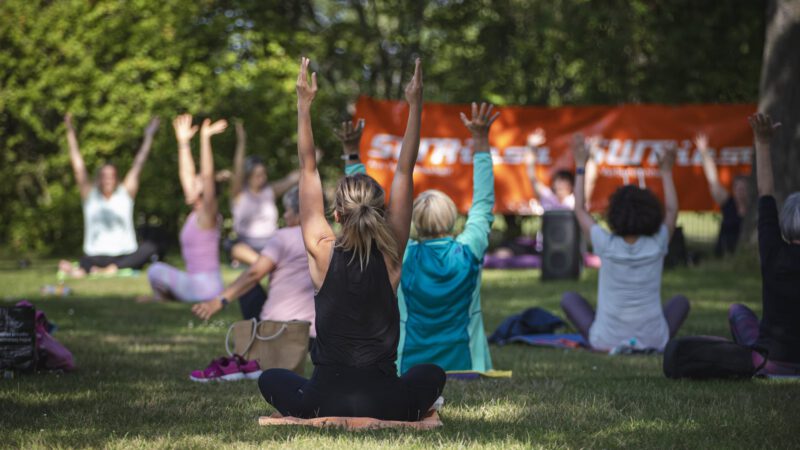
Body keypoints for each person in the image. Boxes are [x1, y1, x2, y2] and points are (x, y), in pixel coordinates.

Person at [257, 57, 445, 421]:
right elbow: (405, 169)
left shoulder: (322, 250)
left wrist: (304, 105)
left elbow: (307, 167)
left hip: (320, 402)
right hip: (388, 404)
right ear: (379, 210)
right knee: (432, 373)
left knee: (271, 379)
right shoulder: (391, 249)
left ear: (337, 214)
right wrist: (415, 104)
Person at [340, 104, 498, 373]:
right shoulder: (469, 249)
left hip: (409, 367)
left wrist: (352, 154)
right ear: (451, 217)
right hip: (467, 368)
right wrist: (481, 140)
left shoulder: (401, 251)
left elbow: (363, 207)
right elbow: (483, 202)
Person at [560, 135, 690, 352]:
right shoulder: (658, 243)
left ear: (614, 215)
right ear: (651, 213)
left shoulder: (605, 243)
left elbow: (580, 209)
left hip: (604, 341)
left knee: (569, 298)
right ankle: (646, 340)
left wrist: (581, 165)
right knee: (681, 302)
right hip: (655, 341)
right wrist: (666, 171)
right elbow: (672, 211)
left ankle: (610, 340)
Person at [191, 186, 317, 340]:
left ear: (299, 213)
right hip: (315, 332)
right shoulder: (327, 239)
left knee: (249, 289)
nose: (285, 215)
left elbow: (254, 274)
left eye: (287, 210)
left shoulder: (284, 237)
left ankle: (257, 341)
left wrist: (219, 301)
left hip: (278, 330)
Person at [727, 113, 800, 375]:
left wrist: (762, 142)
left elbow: (765, 194)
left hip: (773, 359)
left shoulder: (773, 251)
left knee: (738, 311)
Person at [58, 113, 161, 278]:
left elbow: (138, 164)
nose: (107, 180)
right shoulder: (90, 196)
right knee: (87, 261)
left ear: (116, 178)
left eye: (111, 176)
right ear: (98, 179)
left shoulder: (125, 193)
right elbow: (78, 167)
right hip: (95, 257)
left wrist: (148, 136)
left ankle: (99, 269)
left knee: (150, 248)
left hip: (124, 255)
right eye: (104, 176)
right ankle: (91, 268)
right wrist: (70, 132)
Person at [142, 115, 226, 303]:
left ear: (204, 190)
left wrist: (205, 139)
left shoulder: (208, 214)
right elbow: (186, 173)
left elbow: (206, 175)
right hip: (200, 286)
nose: (190, 184)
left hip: (205, 288)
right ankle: (165, 299)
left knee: (155, 269)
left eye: (196, 184)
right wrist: (183, 143)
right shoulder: (196, 214)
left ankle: (161, 299)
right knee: (156, 269)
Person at [228, 120, 301, 266]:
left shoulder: (270, 191)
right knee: (234, 248)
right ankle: (265, 264)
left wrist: (312, 160)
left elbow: (292, 178)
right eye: (258, 175)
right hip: (247, 245)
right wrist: (242, 141)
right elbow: (238, 170)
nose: (263, 178)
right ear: (248, 176)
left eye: (264, 174)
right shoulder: (239, 194)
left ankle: (266, 264)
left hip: (271, 243)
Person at [695, 133, 749, 256]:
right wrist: (704, 152)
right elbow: (713, 181)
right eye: (737, 187)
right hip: (723, 256)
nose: (740, 190)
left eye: (743, 187)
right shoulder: (728, 203)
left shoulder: (756, 208)